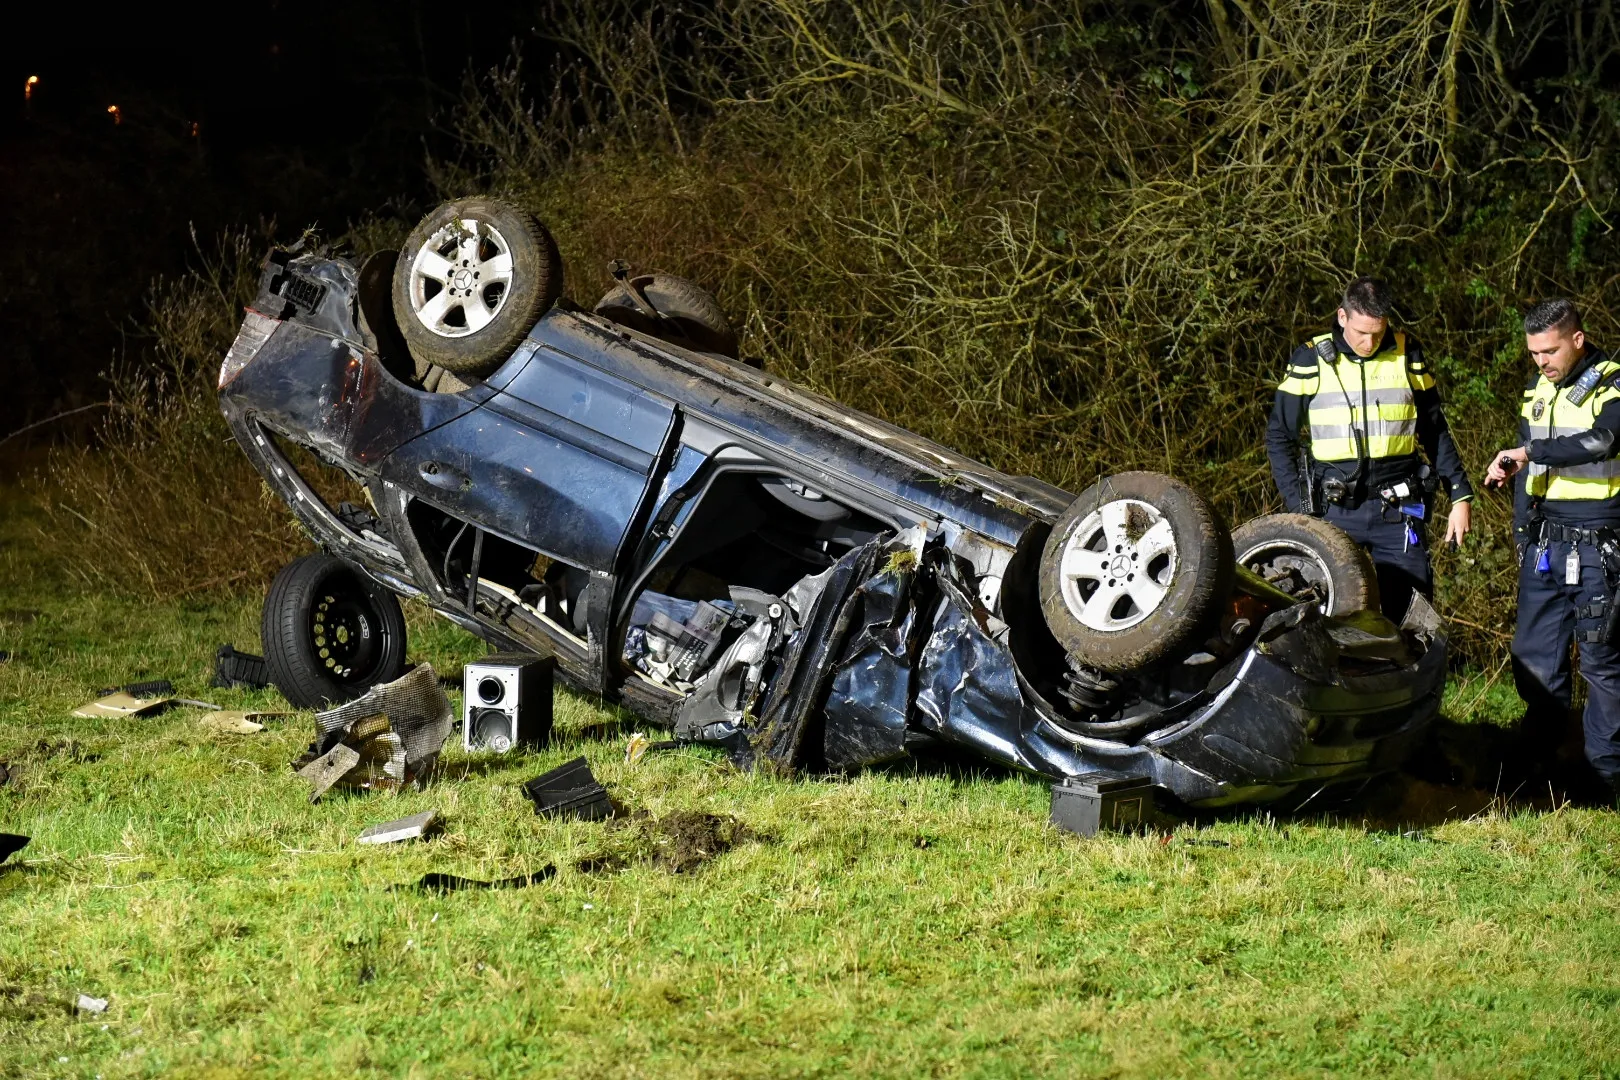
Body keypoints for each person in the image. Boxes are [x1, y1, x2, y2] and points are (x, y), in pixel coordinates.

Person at [1265, 276, 1473, 620]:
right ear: (1342, 316)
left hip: (1398, 510)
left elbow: (1434, 431)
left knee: (1411, 618)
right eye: (1362, 332)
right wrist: (1299, 506)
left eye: (1377, 332)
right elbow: (1279, 437)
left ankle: (1405, 674)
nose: (1369, 341)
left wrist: (1460, 496)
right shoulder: (1310, 358)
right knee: (1325, 615)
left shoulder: (1408, 353)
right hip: (1332, 511)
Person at [1484, 297, 1620, 801]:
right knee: (1534, 654)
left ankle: (1603, 779)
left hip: (1600, 541)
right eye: (1534, 352)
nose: (1541, 361)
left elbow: (1604, 440)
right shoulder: (1536, 390)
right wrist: (1522, 531)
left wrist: (1530, 451)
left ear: (1577, 340)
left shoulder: (1612, 381)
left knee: (1602, 661)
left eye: (1550, 350)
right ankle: (1537, 767)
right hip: (1543, 539)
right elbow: (1526, 469)